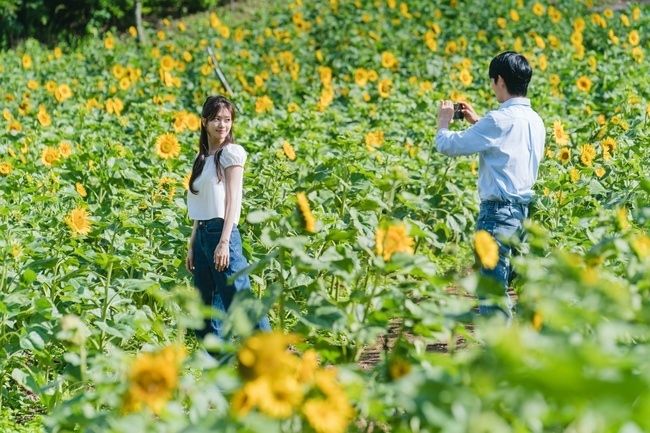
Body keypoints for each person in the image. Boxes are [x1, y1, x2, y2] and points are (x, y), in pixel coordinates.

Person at [435, 51, 545, 320]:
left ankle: (500, 355)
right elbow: (506, 145)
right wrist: (477, 122)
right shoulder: (535, 120)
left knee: (492, 292)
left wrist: (443, 122)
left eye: (492, 81)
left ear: (500, 80)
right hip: (524, 215)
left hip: (497, 216)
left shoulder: (498, 121)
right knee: (514, 289)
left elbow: (448, 145)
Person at [185, 95, 271, 341]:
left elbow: (233, 200)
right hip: (202, 236)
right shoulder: (200, 160)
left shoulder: (231, 153)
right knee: (207, 311)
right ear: (204, 122)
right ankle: (215, 368)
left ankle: (271, 357)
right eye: (215, 119)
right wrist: (193, 245)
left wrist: (223, 242)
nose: (222, 125)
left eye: (227, 120)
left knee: (240, 300)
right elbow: (199, 205)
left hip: (222, 233)